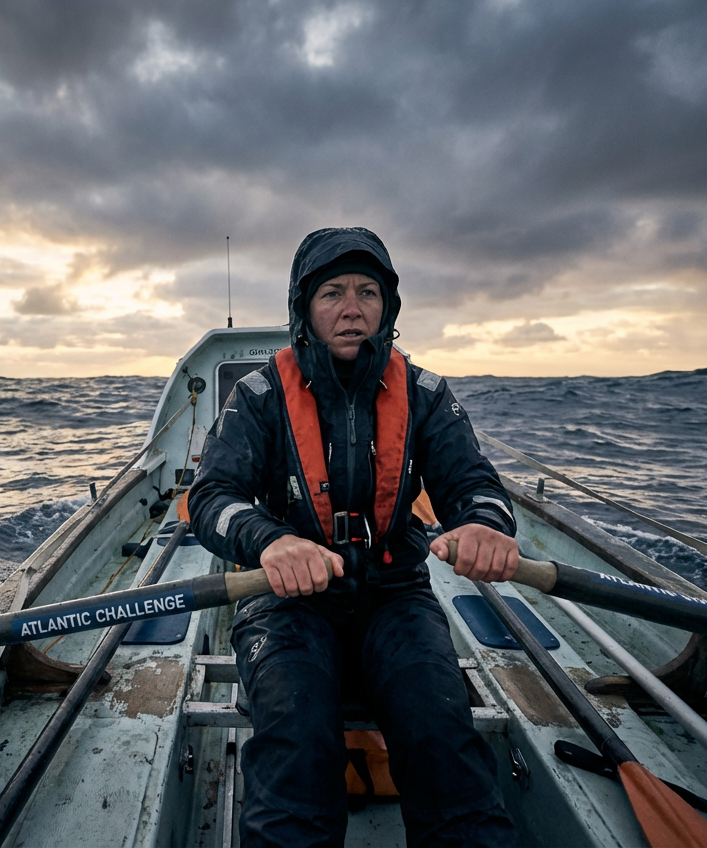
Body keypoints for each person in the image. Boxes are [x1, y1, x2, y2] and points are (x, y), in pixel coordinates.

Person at [189, 227, 521, 847]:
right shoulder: (257, 398)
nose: (351, 308)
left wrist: (485, 525)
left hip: (396, 595)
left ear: (387, 309)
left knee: (444, 741)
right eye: (332, 293)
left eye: (368, 292)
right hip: (287, 602)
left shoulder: (424, 394)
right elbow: (211, 498)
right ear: (304, 309)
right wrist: (268, 540)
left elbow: (474, 484)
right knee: (294, 746)